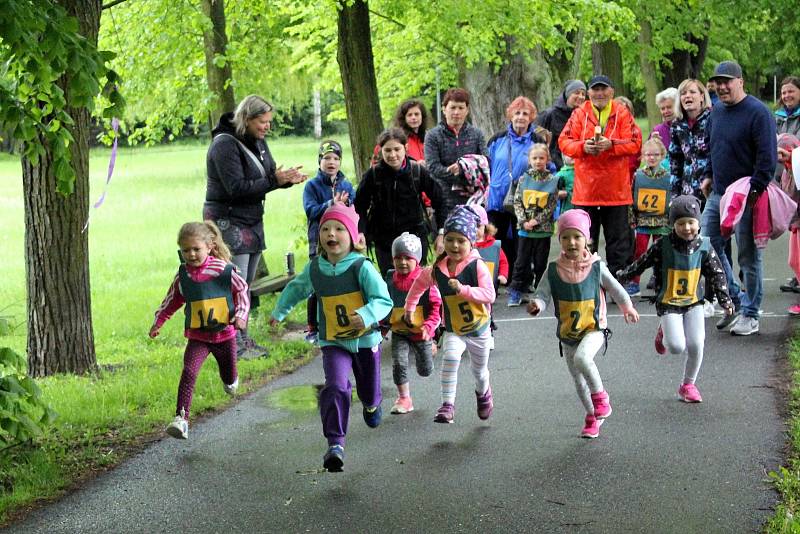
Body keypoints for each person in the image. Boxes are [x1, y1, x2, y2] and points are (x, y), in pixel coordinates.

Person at [270, 204, 392, 472]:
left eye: (339, 228)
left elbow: (384, 300)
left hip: (364, 341)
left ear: (351, 236)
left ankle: (372, 405)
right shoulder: (316, 269)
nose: (331, 234)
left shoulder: (362, 267)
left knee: (369, 391)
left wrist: (368, 313)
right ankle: (335, 444)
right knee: (336, 386)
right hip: (333, 341)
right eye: (326, 229)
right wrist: (279, 312)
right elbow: (297, 288)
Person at [203, 95, 307, 356]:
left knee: (245, 285)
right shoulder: (223, 145)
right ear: (247, 119)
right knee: (232, 283)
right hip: (228, 221)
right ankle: (231, 343)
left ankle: (243, 338)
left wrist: (286, 180)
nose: (267, 127)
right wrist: (275, 179)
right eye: (262, 122)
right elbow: (236, 188)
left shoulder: (258, 142)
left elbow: (268, 176)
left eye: (269, 122)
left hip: (251, 220)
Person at [527, 209, 639, 438]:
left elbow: (616, 289)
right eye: (565, 237)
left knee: (582, 358)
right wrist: (536, 305)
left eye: (577, 236)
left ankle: (601, 398)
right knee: (578, 380)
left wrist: (627, 307)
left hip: (594, 328)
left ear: (587, 239)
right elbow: (542, 295)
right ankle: (592, 416)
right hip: (568, 333)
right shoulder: (554, 270)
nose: (571, 242)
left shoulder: (597, 267)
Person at [616, 196, 734, 402]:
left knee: (697, 344)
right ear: (673, 225)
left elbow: (717, 273)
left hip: (693, 302)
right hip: (669, 303)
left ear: (698, 223)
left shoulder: (705, 246)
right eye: (681, 223)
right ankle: (664, 330)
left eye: (691, 222)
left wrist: (725, 300)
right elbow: (642, 263)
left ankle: (688, 384)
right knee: (677, 346)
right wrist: (621, 276)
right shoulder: (663, 245)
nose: (687, 228)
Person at [149, 221, 249, 440]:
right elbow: (171, 300)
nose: (191, 254)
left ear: (209, 246)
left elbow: (242, 290)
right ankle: (181, 419)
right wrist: (158, 322)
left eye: (196, 249)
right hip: (198, 337)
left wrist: (240, 316)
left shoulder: (223, 270)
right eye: (186, 250)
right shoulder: (183, 276)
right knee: (189, 372)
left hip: (225, 336)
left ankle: (231, 380)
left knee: (229, 376)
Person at [702, 60, 777, 336]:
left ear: (740, 82)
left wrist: (755, 192)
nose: (722, 87)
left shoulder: (759, 113)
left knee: (748, 255)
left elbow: (767, 158)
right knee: (705, 245)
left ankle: (750, 313)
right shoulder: (717, 111)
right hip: (719, 194)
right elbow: (712, 147)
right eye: (718, 83)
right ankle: (733, 299)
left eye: (727, 82)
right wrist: (708, 175)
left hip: (748, 195)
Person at [404, 206, 496, 424]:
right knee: (450, 358)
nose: (455, 245)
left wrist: (463, 289)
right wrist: (409, 307)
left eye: (461, 241)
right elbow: (418, 285)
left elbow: (489, 295)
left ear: (471, 242)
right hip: (454, 329)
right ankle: (447, 405)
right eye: (450, 239)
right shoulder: (438, 268)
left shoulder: (477, 266)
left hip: (479, 330)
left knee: (479, 371)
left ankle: (483, 393)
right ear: (443, 241)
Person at [558, 75, 642, 278]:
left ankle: (618, 283)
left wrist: (611, 144)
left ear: (612, 92)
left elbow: (635, 143)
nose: (600, 93)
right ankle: (584, 281)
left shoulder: (622, 113)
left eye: (604, 89)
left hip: (616, 193)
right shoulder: (579, 114)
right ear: (589, 93)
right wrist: (583, 147)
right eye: (595, 90)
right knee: (585, 240)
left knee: (619, 243)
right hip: (586, 192)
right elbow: (564, 142)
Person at [356, 128, 447, 276]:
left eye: (397, 149)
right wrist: (361, 232)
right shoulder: (373, 175)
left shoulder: (417, 171)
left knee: (416, 281)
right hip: (385, 241)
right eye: (388, 150)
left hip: (415, 237)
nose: (393, 155)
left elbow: (440, 200)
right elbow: (359, 206)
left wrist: (441, 233)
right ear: (381, 150)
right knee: (390, 280)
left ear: (405, 148)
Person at [486, 96, 550, 281]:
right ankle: (497, 278)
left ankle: (520, 279)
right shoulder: (497, 139)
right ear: (510, 115)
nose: (521, 117)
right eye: (517, 113)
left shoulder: (537, 140)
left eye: (525, 113)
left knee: (521, 242)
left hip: (524, 200)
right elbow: (487, 165)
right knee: (497, 241)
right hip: (498, 198)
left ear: (531, 118)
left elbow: (546, 166)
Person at [302, 140, 356, 344]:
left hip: (342, 242)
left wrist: (345, 205)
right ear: (319, 161)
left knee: (342, 280)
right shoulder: (312, 186)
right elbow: (310, 210)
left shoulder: (346, 185)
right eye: (326, 158)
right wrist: (331, 203)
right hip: (319, 240)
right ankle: (312, 328)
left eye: (335, 158)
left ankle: (338, 322)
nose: (331, 162)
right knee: (317, 282)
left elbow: (352, 210)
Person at [383, 232, 441, 414]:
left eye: (408, 258)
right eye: (398, 258)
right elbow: (384, 305)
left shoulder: (425, 279)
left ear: (417, 259)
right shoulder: (389, 281)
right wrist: (381, 328)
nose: (402, 262)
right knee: (399, 363)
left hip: (421, 332)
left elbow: (436, 307)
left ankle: (430, 346)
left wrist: (430, 327)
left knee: (425, 370)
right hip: (399, 331)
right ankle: (404, 398)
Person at [508, 144, 564, 306]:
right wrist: (524, 221)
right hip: (525, 230)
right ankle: (516, 291)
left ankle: (540, 292)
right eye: (535, 158)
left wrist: (536, 220)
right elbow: (517, 201)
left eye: (541, 158)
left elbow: (551, 206)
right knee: (521, 262)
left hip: (543, 231)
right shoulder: (524, 179)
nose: (538, 161)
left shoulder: (552, 181)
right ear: (529, 160)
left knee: (540, 263)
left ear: (547, 159)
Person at [424, 88, 487, 220]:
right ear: (444, 109)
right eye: (452, 107)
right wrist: (456, 173)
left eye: (460, 107)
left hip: (473, 200)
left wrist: (464, 169)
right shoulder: (433, 135)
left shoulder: (477, 134)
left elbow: (486, 162)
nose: (456, 112)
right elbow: (433, 167)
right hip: (444, 199)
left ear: (467, 110)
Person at [626, 137, 672, 296]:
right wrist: (632, 219)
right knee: (639, 252)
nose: (652, 158)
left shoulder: (668, 177)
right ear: (643, 156)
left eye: (656, 155)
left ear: (662, 156)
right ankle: (634, 282)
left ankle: (662, 280)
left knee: (662, 252)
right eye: (648, 155)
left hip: (662, 222)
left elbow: (671, 199)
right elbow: (631, 198)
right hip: (643, 222)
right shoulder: (637, 176)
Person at [669, 78, 713, 204]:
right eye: (683, 93)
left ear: (702, 96)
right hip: (688, 192)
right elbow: (675, 162)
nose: (687, 96)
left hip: (711, 189)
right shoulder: (676, 125)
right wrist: (674, 196)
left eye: (692, 92)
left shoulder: (713, 118)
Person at [775, 77, 800, 294]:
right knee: (793, 226)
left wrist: (792, 155)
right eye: (783, 93)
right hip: (784, 178)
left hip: (798, 175)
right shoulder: (778, 119)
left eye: (791, 91)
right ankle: (797, 276)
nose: (786, 96)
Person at [535, 80, 587, 169]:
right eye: (577, 93)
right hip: (554, 168)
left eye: (583, 94)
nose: (581, 97)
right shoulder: (549, 114)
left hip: (578, 168)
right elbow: (536, 134)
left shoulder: (585, 117)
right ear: (568, 94)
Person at [650, 87, 679, 153]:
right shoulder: (657, 130)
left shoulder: (688, 126)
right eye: (662, 109)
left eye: (669, 107)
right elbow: (648, 156)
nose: (665, 111)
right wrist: (652, 145)